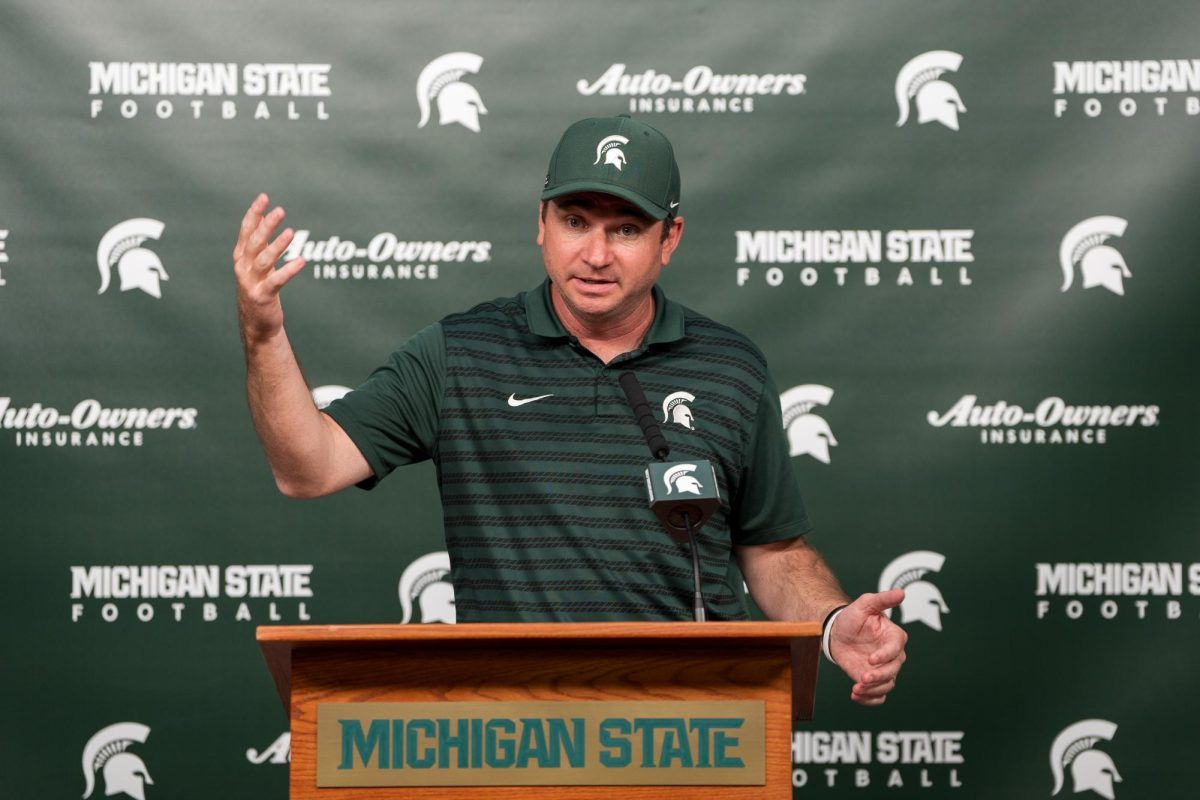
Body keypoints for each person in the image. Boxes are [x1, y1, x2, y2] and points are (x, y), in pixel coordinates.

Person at [233, 115, 907, 706]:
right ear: (541, 223)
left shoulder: (729, 366)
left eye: (625, 229)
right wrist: (264, 333)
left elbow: (773, 551)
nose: (594, 254)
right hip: (508, 731)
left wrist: (829, 622)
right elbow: (307, 467)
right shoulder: (461, 353)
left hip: (691, 725)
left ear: (669, 239)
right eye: (575, 221)